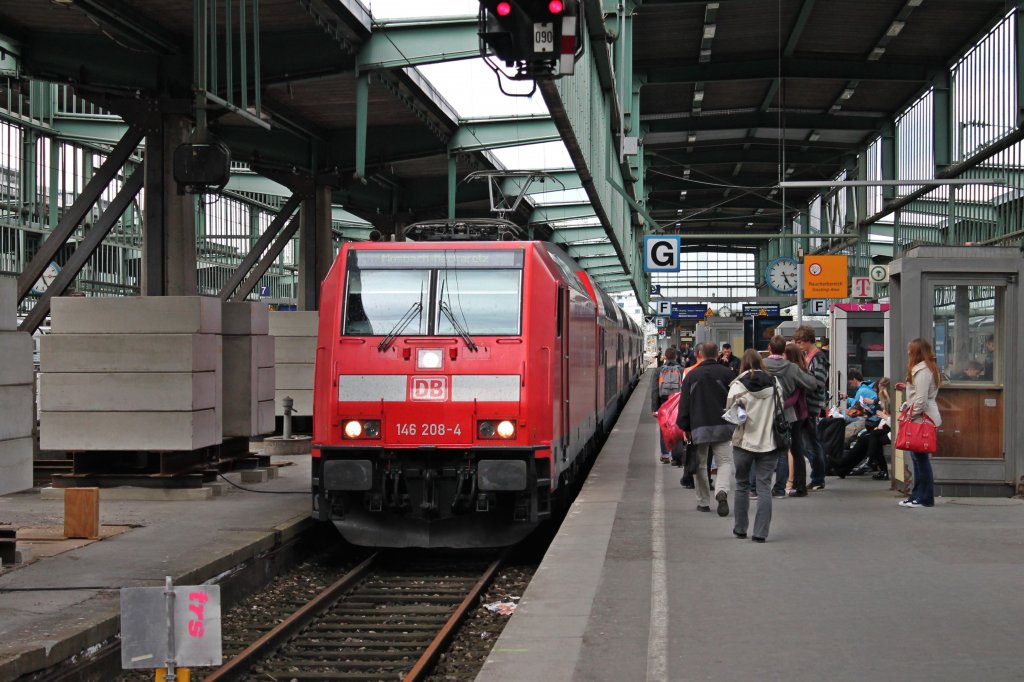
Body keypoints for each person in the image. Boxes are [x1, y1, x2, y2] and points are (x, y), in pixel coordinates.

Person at [726, 349, 786, 542]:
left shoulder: (737, 386)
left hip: (743, 443)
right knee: (764, 487)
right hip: (769, 442)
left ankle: (740, 528)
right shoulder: (775, 383)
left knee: (742, 485)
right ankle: (760, 533)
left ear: (743, 364)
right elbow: (780, 409)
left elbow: (730, 412)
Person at [677, 342, 737, 516]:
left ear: (700, 354)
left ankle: (703, 502)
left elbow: (684, 404)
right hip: (723, 426)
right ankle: (721, 491)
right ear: (717, 354)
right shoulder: (727, 373)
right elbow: (736, 400)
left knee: (701, 464)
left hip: (699, 426)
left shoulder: (692, 376)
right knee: (725, 461)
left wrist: (685, 426)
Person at [763, 336, 817, 499]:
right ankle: (793, 486)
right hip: (791, 414)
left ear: (769, 348)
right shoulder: (793, 369)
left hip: (767, 411)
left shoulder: (762, 365)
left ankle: (757, 486)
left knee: (765, 448)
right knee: (793, 449)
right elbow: (812, 384)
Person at [898, 338, 942, 508]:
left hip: (921, 418)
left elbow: (921, 399)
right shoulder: (927, 369)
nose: (908, 352)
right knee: (918, 458)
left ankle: (924, 497)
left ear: (916, 352)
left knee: (920, 460)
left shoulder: (922, 371)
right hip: (923, 416)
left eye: (910, 349)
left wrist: (911, 415)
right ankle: (917, 495)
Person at [792, 325, 829, 490]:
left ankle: (818, 477)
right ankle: (817, 475)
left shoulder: (818, 358)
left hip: (811, 405)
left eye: (800, 342)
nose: (799, 346)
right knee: (808, 442)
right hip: (807, 404)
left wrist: (802, 379)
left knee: (811, 443)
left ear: (808, 340)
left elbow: (819, 382)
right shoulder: (810, 356)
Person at [651, 347, 684, 463]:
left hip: (663, 403)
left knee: (664, 428)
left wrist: (654, 408)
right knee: (677, 428)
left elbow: (655, 390)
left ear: (665, 357)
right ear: (676, 357)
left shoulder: (659, 371)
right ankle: (676, 457)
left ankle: (665, 455)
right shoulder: (682, 370)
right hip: (677, 403)